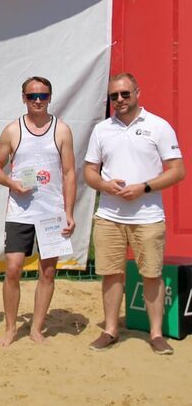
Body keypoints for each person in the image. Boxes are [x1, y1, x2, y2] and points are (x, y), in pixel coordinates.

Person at [84, 73, 185, 354]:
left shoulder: (159, 126)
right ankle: (111, 330)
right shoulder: (102, 129)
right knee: (111, 274)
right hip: (109, 215)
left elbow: (178, 170)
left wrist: (145, 187)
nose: (119, 100)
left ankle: (155, 334)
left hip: (148, 216)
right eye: (114, 96)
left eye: (125, 94)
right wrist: (103, 184)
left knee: (151, 275)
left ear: (137, 92)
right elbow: (89, 171)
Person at [0, 76, 76, 346]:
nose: (37, 101)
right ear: (23, 98)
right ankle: (11, 327)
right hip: (20, 211)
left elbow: (70, 172)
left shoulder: (61, 130)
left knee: (47, 272)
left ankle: (37, 328)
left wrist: (69, 212)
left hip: (52, 211)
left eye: (43, 96)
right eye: (32, 96)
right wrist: (11, 182)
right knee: (13, 268)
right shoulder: (13, 130)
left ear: (50, 97)